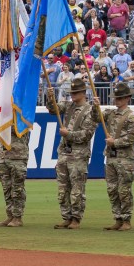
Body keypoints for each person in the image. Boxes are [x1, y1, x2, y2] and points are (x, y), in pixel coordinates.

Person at [46, 78, 99, 229]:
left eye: (76, 93)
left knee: (77, 188)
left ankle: (76, 218)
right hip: (64, 151)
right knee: (63, 188)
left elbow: (87, 134)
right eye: (72, 93)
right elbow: (53, 109)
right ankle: (66, 216)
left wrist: (68, 134)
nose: (73, 96)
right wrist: (51, 97)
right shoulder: (68, 106)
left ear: (83, 93)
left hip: (78, 153)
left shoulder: (90, 111)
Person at [96, 83, 134, 231]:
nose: (117, 100)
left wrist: (115, 142)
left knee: (124, 190)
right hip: (111, 157)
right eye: (116, 98)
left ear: (127, 98)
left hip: (125, 158)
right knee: (112, 189)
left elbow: (132, 138)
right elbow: (96, 117)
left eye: (120, 98)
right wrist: (96, 106)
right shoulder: (111, 113)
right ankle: (118, 218)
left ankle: (126, 219)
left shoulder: (132, 117)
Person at [0, 98, 30, 227]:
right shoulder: (3, 109)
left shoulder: (23, 109)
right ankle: (10, 215)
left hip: (18, 154)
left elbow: (20, 127)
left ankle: (18, 217)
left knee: (17, 188)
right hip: (4, 154)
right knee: (6, 188)